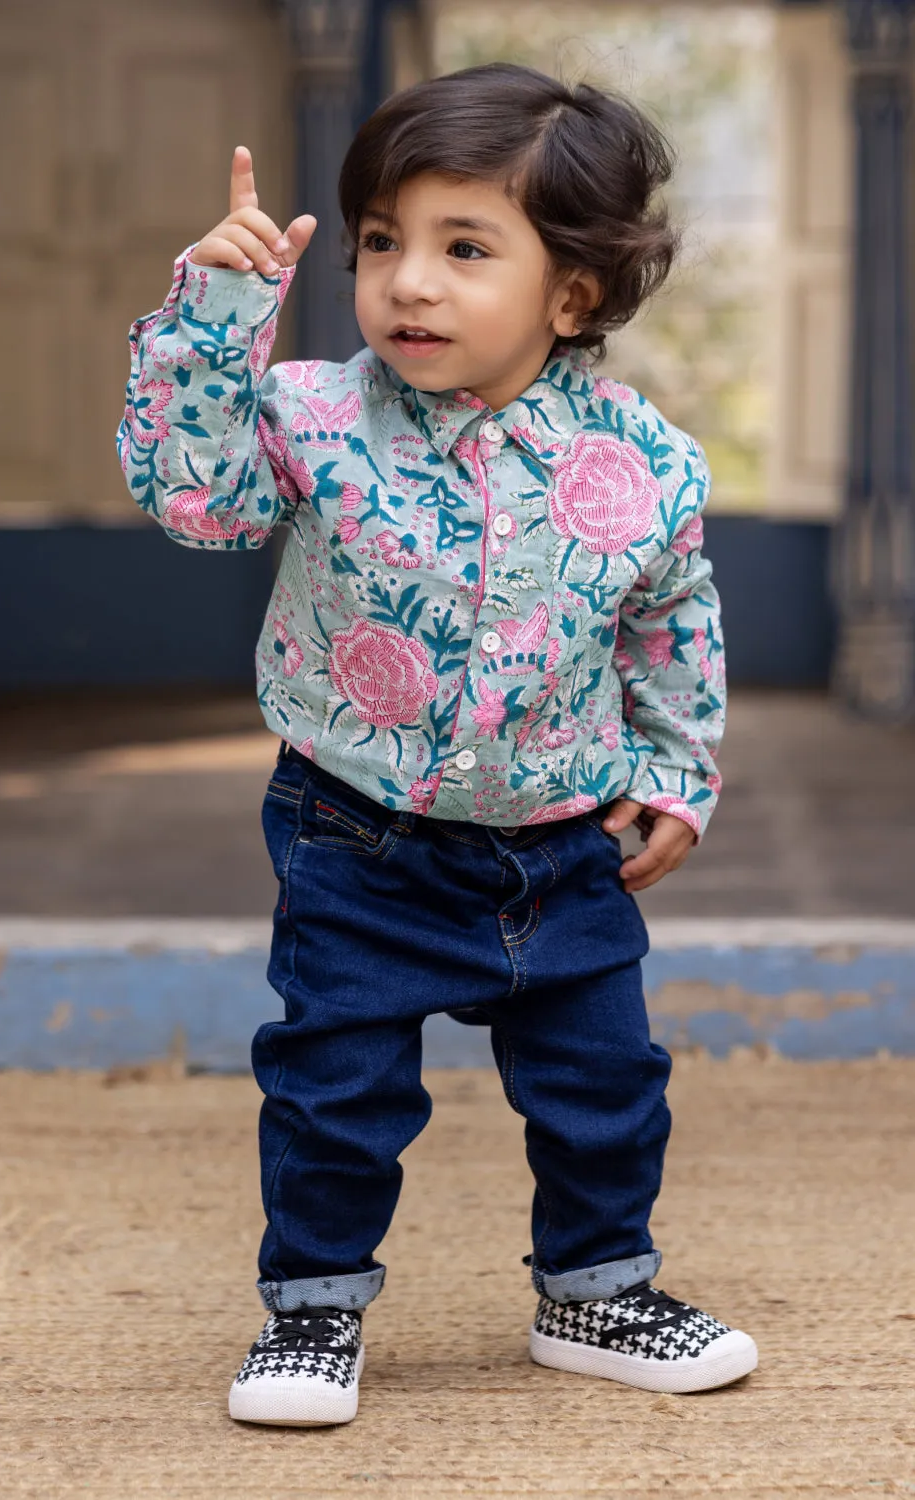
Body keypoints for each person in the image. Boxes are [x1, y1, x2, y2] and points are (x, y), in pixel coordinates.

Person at [118, 62, 757, 1427]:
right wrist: (218, 314)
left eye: (465, 249)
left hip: (563, 843)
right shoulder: (311, 418)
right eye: (381, 243)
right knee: (335, 1086)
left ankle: (596, 1288)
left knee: (604, 1087)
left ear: (572, 293)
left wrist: (675, 779)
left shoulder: (648, 465)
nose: (408, 281)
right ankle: (312, 1311)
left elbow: (670, 627)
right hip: (359, 833)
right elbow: (195, 504)